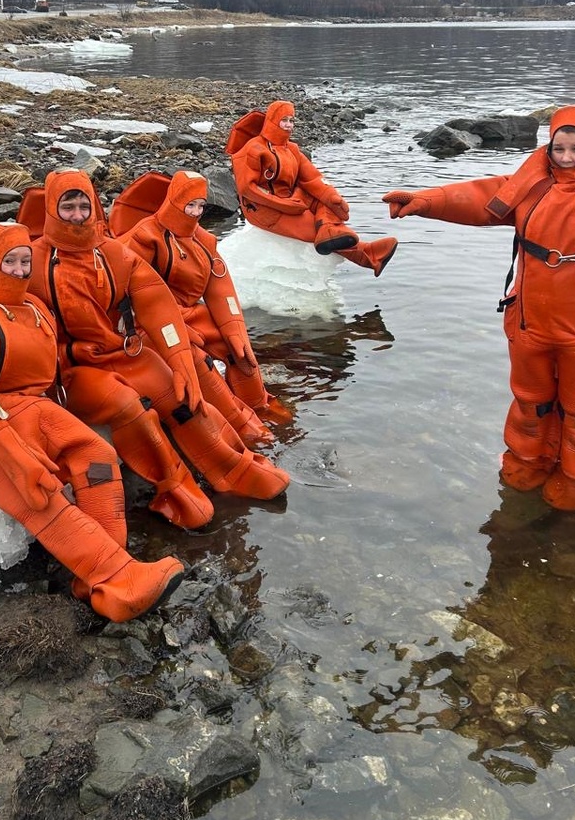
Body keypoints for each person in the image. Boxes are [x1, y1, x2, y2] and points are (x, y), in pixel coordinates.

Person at [0, 223, 184, 622]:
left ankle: (102, 574)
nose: (17, 270)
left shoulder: (32, 307)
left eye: (24, 261)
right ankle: (117, 579)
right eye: (8, 261)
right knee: (38, 489)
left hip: (24, 408)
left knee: (97, 453)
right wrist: (18, 457)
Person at [383, 104, 575, 510]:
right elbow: (478, 198)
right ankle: (529, 459)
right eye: (559, 148)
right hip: (529, 319)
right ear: (548, 146)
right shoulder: (528, 188)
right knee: (530, 399)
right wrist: (424, 201)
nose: (566, 157)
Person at [27, 169, 291, 526]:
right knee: (128, 407)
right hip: (72, 369)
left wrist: (180, 360)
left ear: (95, 208)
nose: (77, 216)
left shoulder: (112, 254)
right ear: (52, 210)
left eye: (83, 206)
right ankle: (173, 485)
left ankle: (234, 467)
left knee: (183, 396)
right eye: (68, 207)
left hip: (124, 353)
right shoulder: (33, 261)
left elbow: (156, 305)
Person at [111, 169, 292, 438]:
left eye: (200, 206)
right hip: (153, 320)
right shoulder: (145, 237)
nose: (195, 213)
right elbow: (133, 293)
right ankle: (238, 423)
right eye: (189, 205)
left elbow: (219, 284)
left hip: (189, 312)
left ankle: (259, 404)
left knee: (238, 351)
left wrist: (234, 327)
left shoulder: (203, 240)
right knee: (200, 363)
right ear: (173, 201)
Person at [228, 99, 398, 274]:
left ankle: (330, 230)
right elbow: (247, 189)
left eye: (291, 120)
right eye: (283, 120)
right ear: (271, 120)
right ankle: (366, 254)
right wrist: (283, 205)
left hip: (289, 199)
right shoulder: (253, 148)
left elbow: (313, 178)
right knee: (313, 228)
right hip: (262, 209)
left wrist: (333, 197)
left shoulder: (291, 149)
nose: (288, 125)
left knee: (324, 200)